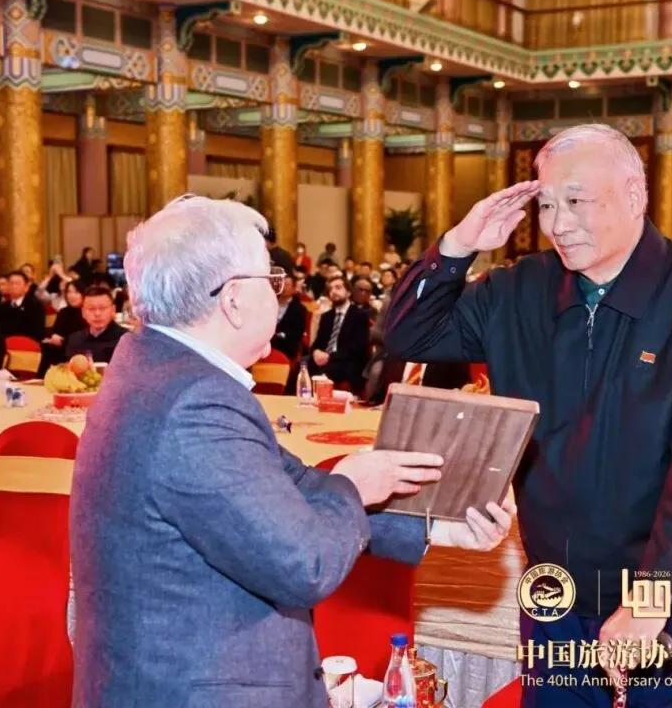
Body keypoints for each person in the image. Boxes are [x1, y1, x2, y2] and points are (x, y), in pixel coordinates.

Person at [70, 195, 516, 707]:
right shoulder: (194, 400)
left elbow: (291, 486)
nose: (280, 294)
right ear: (233, 299)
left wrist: (436, 526)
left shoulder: (155, 368)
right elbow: (303, 564)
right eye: (272, 280)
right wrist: (354, 485)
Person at [384, 123, 672, 707]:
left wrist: (648, 600)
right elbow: (408, 334)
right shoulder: (519, 289)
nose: (558, 224)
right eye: (547, 205)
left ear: (633, 195)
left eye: (577, 201)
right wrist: (458, 245)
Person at [308, 274, 370, 391]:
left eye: (338, 288)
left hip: (346, 361)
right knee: (304, 364)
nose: (333, 292)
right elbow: (318, 342)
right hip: (325, 359)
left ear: (348, 292)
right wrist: (316, 352)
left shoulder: (360, 316)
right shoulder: (327, 316)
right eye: (331, 289)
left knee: (329, 371)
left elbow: (358, 348)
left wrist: (330, 357)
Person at [64, 287, 128, 363]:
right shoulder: (75, 340)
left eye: (102, 308)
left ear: (113, 310)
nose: (97, 314)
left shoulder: (126, 339)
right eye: (91, 309)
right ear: (83, 312)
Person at [0, 270, 46, 342]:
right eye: (11, 283)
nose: (13, 286)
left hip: (29, 345)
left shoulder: (35, 306)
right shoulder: (3, 306)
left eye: (17, 283)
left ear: (26, 287)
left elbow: (38, 334)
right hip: (7, 344)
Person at [271, 273, 307, 360]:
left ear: (294, 288)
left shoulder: (299, 309)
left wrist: (278, 335)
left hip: (285, 347)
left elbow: (296, 334)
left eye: (286, 285)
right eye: (281, 284)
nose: (283, 287)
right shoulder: (269, 303)